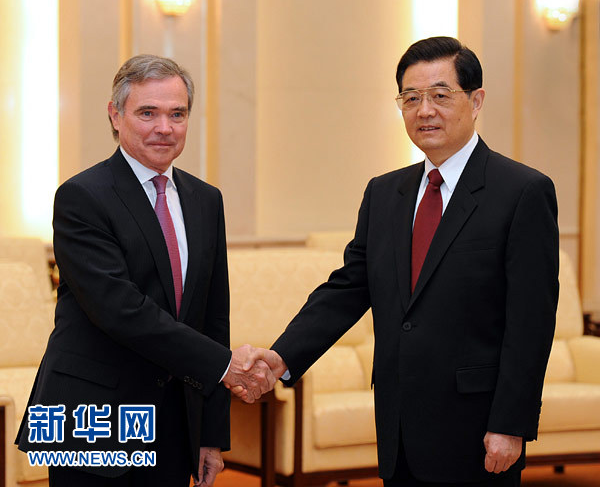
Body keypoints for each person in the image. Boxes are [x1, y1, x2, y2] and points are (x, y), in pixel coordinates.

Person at [243, 37, 559, 486]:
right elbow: (348, 289)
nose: (424, 110)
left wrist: (511, 423)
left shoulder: (522, 192)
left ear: (476, 100)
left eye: (440, 95)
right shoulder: (384, 193)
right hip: (398, 425)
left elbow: (531, 322)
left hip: (477, 429)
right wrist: (280, 358)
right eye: (411, 98)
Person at [16, 54, 273, 487]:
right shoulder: (82, 196)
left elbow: (213, 316)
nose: (164, 128)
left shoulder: (205, 200)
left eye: (177, 114)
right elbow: (121, 309)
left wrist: (210, 434)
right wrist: (225, 366)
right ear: (116, 116)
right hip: (94, 416)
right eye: (147, 113)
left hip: (174, 416)